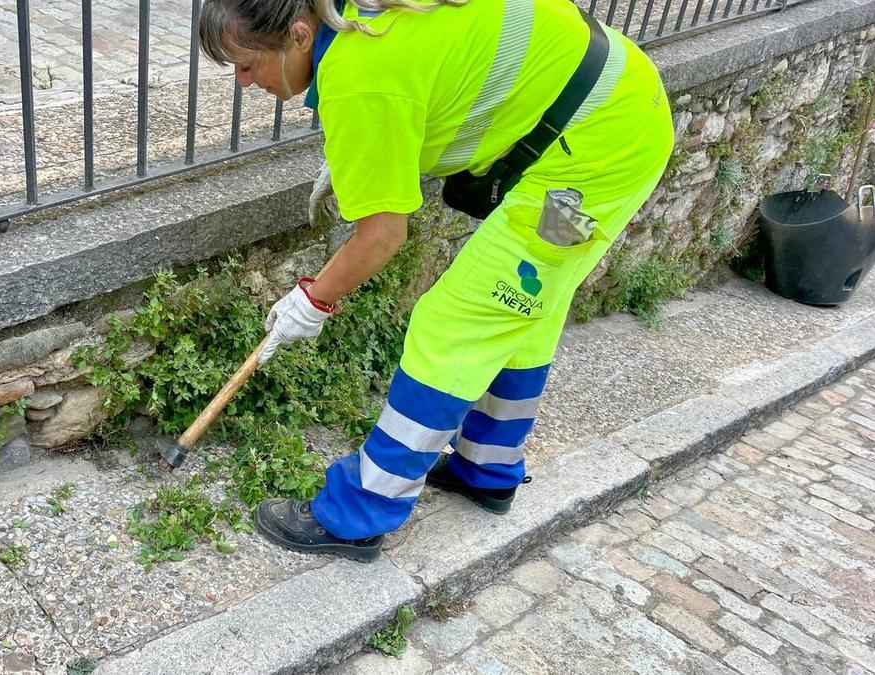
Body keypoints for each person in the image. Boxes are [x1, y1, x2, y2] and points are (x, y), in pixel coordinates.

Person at [199, 0, 673, 562]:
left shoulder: (358, 72)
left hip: (595, 153)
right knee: (522, 313)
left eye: (247, 64)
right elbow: (432, 78)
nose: (242, 81)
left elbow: (381, 237)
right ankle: (487, 467)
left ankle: (362, 511)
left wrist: (312, 300)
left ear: (300, 34)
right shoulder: (355, 13)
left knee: (453, 325)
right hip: (614, 104)